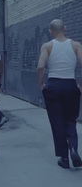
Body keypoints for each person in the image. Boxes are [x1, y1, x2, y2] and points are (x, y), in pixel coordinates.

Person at [37, 19, 82, 169]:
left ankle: (64, 157)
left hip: (54, 85)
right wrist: (80, 86)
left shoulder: (47, 46)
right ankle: (74, 149)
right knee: (71, 120)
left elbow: (40, 67)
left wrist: (41, 85)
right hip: (70, 85)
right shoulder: (76, 45)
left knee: (57, 121)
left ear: (50, 31)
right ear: (65, 28)